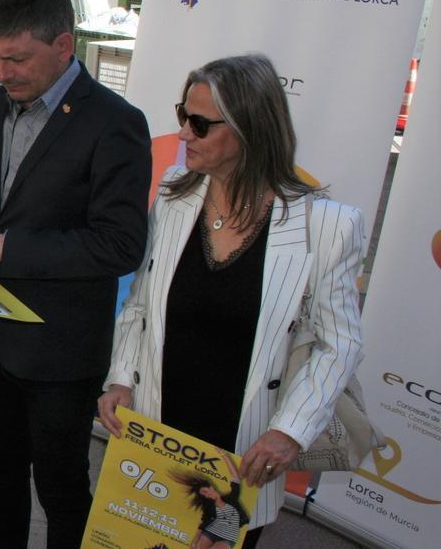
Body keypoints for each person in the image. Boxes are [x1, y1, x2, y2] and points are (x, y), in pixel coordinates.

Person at [98, 54, 365, 549]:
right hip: (160, 435)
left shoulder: (327, 227)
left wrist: (289, 431)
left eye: (199, 124)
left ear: (249, 130)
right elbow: (139, 305)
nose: (183, 135)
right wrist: (119, 378)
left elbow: (339, 344)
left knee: (220, 543)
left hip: (243, 450)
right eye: (183, 116)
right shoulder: (175, 202)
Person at [0, 0, 151, 549]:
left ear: (64, 45)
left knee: (62, 487)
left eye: (17, 59)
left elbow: (120, 244)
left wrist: (5, 246)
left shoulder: (116, 123)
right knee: (0, 473)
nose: (3, 74)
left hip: (61, 353)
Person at [170, 449, 250, 549]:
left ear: (211, 487)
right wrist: (194, 542)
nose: (207, 495)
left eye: (206, 491)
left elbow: (235, 477)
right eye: (205, 495)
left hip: (228, 537)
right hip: (210, 532)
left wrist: (224, 455)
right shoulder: (209, 507)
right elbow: (203, 524)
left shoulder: (231, 498)